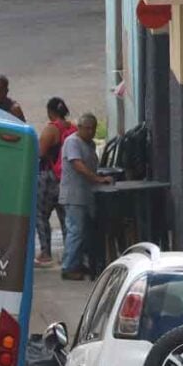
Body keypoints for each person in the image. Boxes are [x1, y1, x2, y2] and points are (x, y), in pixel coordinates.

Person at [59, 113, 112, 280]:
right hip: (74, 195)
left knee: (84, 232)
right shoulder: (72, 142)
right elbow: (78, 166)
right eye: (87, 128)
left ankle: (79, 263)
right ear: (80, 128)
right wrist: (98, 179)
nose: (90, 132)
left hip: (85, 195)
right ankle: (68, 267)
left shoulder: (89, 144)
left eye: (93, 129)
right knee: (76, 231)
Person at [35, 97, 76, 267]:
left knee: (40, 215)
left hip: (49, 177)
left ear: (50, 112)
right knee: (65, 217)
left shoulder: (51, 130)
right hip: (67, 178)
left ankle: (45, 253)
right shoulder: (73, 128)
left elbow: (40, 153)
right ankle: (69, 254)